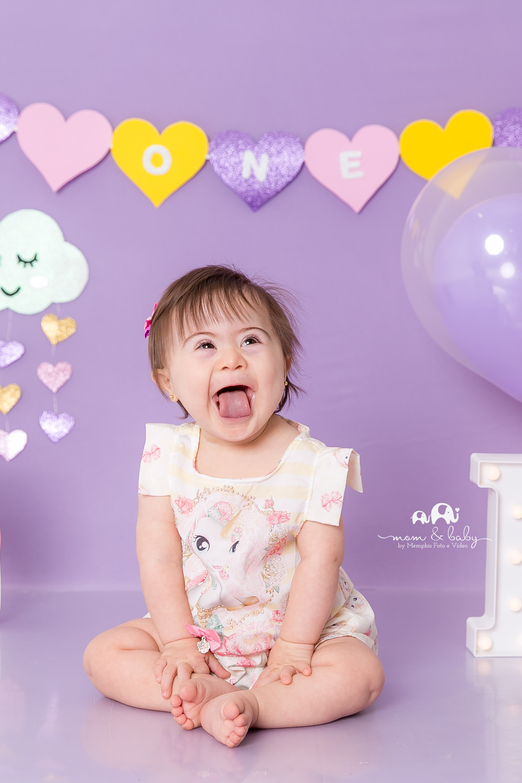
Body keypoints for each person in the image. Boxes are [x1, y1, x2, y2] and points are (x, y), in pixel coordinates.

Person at [83, 265, 383, 748]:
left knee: (360, 675)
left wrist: (293, 649)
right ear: (168, 382)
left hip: (304, 633)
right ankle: (208, 692)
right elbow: (158, 556)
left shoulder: (315, 465)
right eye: (205, 345)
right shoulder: (167, 457)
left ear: (284, 365)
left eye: (250, 341)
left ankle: (260, 704)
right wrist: (179, 645)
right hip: (202, 630)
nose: (231, 360)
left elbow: (321, 560)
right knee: (104, 655)